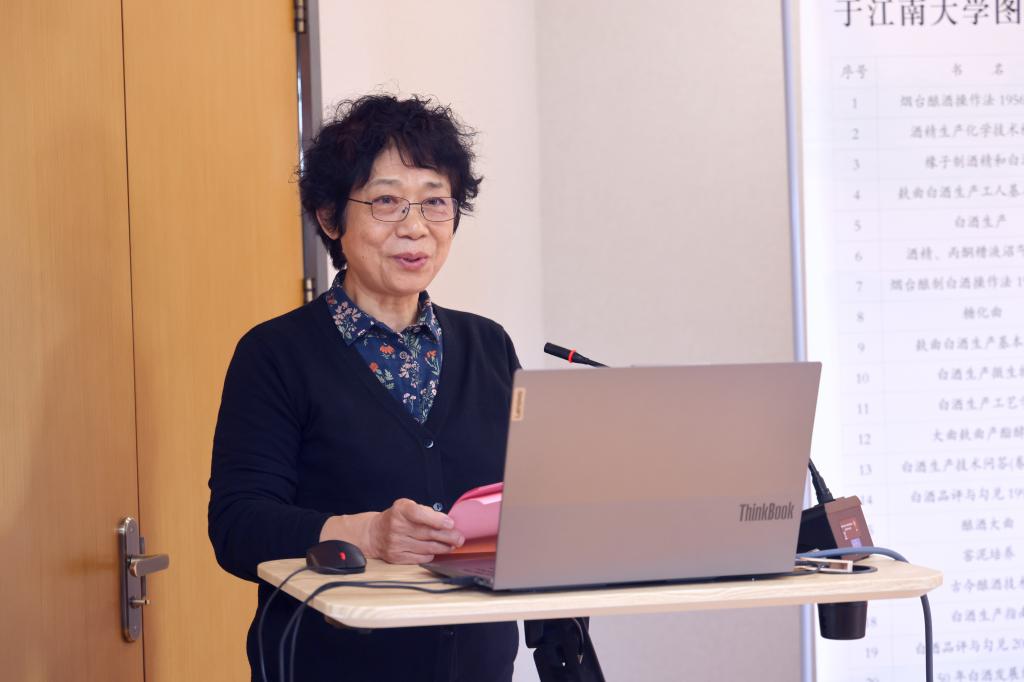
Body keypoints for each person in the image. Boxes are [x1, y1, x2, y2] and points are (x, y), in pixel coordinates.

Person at [208, 94, 520, 681]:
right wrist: (367, 533)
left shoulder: (489, 346)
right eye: (386, 201)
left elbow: (527, 507)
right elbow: (238, 528)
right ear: (331, 218)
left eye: (435, 201)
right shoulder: (275, 354)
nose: (415, 227)